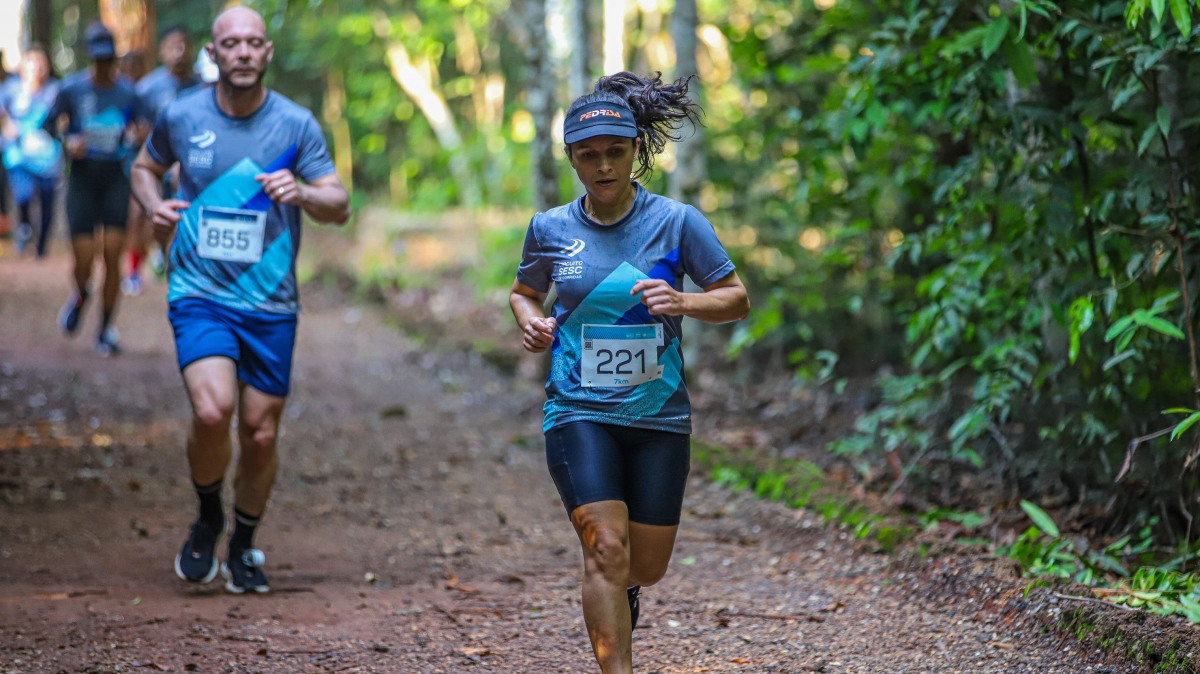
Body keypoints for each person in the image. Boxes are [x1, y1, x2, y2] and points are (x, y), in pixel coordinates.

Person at [508, 72, 750, 673]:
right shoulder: (550, 228)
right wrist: (532, 322)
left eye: (616, 151)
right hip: (578, 409)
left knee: (645, 565)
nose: (604, 166)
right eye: (589, 155)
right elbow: (523, 292)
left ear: (637, 150)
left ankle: (626, 588)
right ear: (571, 158)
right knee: (605, 547)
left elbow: (737, 298)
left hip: (658, 415)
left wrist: (683, 300)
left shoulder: (678, 221)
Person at [130, 6, 350, 594]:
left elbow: (339, 205)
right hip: (200, 291)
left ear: (268, 52)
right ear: (214, 52)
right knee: (212, 411)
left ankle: (244, 543)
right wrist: (153, 204)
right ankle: (209, 516)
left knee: (259, 434)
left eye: (255, 43)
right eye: (232, 44)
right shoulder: (183, 115)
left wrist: (302, 192)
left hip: (270, 302)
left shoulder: (296, 125)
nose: (245, 52)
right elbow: (145, 167)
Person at [49, 24, 147, 355]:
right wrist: (67, 143)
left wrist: (139, 135)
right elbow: (49, 125)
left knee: (113, 254)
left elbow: (146, 126)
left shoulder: (129, 93)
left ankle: (105, 328)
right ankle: (81, 293)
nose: (104, 65)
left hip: (115, 180)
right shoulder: (71, 89)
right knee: (84, 260)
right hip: (82, 181)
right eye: (99, 59)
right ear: (91, 57)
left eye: (109, 59)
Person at [123, 26, 198, 296]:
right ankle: (133, 270)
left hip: (188, 165)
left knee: (181, 211)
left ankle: (168, 256)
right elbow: (130, 126)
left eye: (184, 45)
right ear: (162, 51)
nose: (179, 52)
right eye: (173, 46)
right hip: (151, 161)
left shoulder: (202, 87)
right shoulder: (147, 88)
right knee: (138, 214)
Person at [0, 46, 60, 257]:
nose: (37, 69)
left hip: (47, 158)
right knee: (23, 194)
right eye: (32, 65)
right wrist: (8, 128)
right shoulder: (11, 89)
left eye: (41, 64)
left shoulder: (55, 91)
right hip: (18, 156)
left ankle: (41, 247)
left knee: (47, 200)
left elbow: (64, 118)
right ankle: (24, 226)